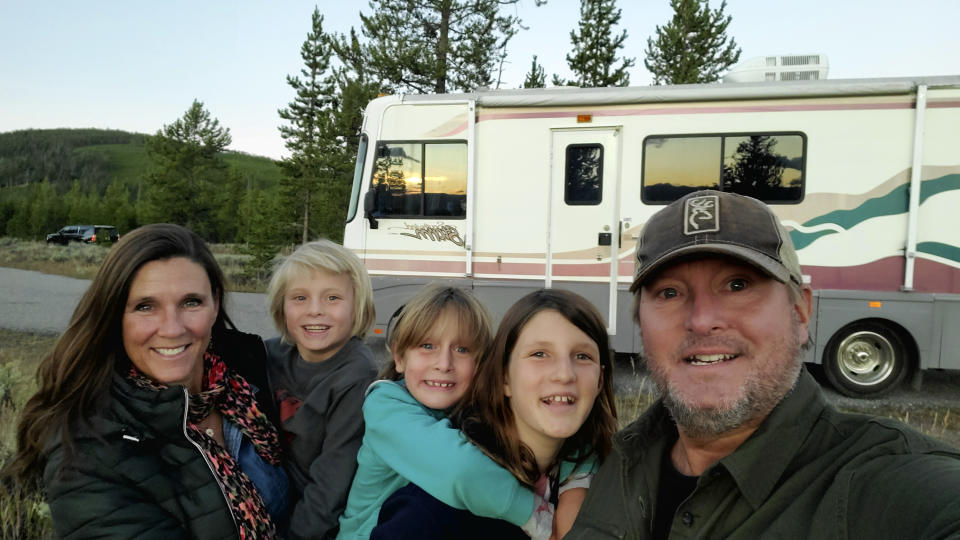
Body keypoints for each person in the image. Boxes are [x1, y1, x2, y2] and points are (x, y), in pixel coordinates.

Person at [566, 190, 960, 539]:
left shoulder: (880, 483)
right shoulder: (617, 459)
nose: (702, 319)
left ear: (801, 311)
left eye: (738, 285)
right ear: (641, 323)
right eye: (669, 292)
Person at [4, 223, 288, 538]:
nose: (171, 328)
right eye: (145, 307)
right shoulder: (85, 454)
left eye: (191, 302)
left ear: (215, 304)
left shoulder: (244, 386)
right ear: (115, 316)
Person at [372, 288, 619, 540]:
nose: (564, 374)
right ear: (502, 377)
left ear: (600, 380)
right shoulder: (432, 511)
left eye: (582, 356)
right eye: (539, 354)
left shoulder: (611, 478)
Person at [339, 284, 552, 540]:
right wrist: (536, 515)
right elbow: (461, 470)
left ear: (481, 362)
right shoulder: (385, 406)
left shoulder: (474, 408)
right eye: (427, 346)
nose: (444, 364)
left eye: (462, 349)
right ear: (399, 357)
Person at [265, 239, 378, 539]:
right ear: (282, 307)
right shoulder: (270, 354)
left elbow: (332, 483)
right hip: (272, 494)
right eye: (300, 298)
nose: (315, 310)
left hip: (318, 518)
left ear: (358, 307)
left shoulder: (356, 375)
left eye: (332, 298)